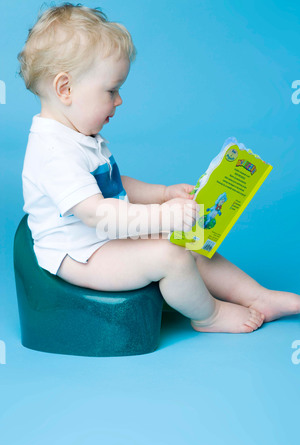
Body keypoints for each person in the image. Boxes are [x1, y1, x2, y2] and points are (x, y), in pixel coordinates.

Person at [18, 3, 300, 334]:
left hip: (101, 238)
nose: (119, 100)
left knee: (188, 240)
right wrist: (164, 216)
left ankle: (259, 296)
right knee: (171, 255)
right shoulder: (54, 152)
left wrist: (163, 195)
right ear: (65, 89)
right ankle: (208, 316)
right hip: (80, 255)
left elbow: (113, 184)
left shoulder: (81, 135)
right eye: (111, 90)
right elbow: (98, 214)